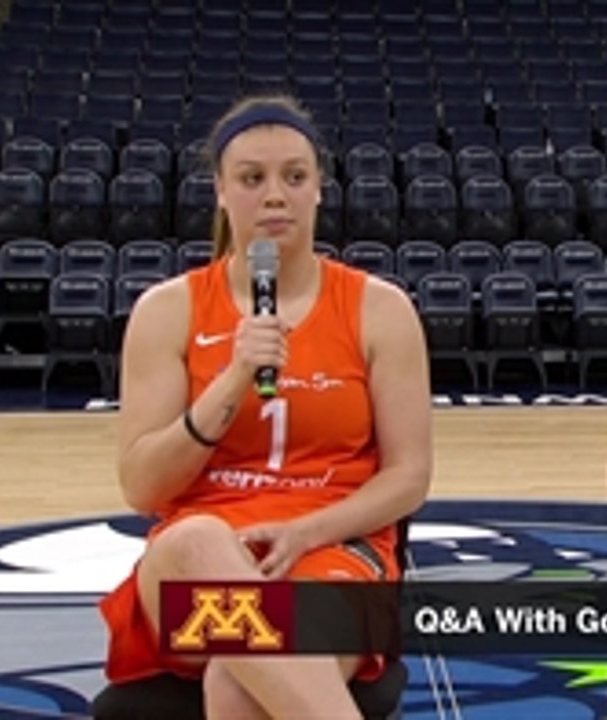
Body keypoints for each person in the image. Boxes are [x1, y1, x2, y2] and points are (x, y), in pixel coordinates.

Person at [98, 93, 432, 720]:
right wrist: (232, 381)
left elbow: (409, 477)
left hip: (333, 547)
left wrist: (306, 532)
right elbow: (143, 487)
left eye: (294, 177)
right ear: (221, 192)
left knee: (238, 680)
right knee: (197, 539)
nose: (275, 196)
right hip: (194, 561)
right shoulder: (167, 311)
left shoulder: (380, 309)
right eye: (253, 179)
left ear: (319, 190)